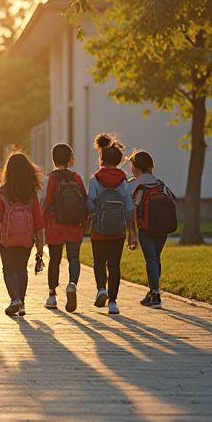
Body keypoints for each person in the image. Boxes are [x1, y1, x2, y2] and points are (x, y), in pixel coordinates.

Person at [0, 152, 45, 316]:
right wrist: (40, 249)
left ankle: (14, 300)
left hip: (7, 240)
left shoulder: (3, 192)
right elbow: (39, 223)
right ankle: (22, 303)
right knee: (21, 269)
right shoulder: (31, 194)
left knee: (9, 269)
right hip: (26, 239)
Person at [87, 133, 137, 315]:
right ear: (119, 160)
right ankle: (113, 302)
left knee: (99, 262)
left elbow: (90, 204)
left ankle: (101, 289)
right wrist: (132, 232)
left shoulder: (95, 180)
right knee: (114, 264)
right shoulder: (123, 181)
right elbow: (129, 207)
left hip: (98, 230)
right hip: (118, 231)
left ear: (102, 159)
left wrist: (90, 216)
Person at [40, 143, 88, 313]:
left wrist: (40, 224)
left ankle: (52, 295)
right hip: (74, 225)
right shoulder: (77, 178)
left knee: (55, 259)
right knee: (74, 257)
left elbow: (45, 203)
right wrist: (84, 222)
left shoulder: (50, 179)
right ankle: (72, 285)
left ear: (53, 159)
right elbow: (84, 201)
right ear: (70, 160)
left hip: (55, 225)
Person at [129, 149, 176, 310]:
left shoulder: (134, 184)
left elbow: (131, 208)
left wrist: (131, 232)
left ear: (136, 167)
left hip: (146, 228)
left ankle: (155, 295)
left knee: (151, 260)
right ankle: (153, 291)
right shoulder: (159, 183)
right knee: (156, 258)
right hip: (163, 228)